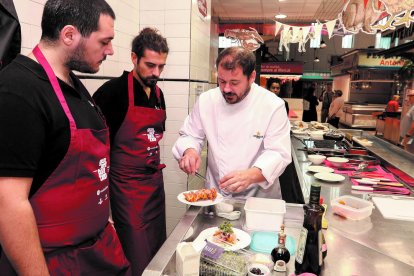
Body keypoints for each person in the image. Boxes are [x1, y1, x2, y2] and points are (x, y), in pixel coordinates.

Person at [0, 0, 131, 275]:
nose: (110, 50)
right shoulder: (18, 91)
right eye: (104, 41)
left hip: (95, 252)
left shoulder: (74, 85)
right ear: (69, 35)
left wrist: (103, 218)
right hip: (55, 261)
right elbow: (8, 204)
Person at [93, 27, 169, 275]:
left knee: (158, 250)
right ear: (134, 58)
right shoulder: (112, 93)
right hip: (126, 191)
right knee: (135, 255)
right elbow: (95, 152)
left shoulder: (158, 95)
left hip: (154, 187)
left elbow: (155, 138)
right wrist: (102, 207)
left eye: (161, 66)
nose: (156, 73)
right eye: (150, 65)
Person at [172, 46, 291, 199]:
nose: (226, 89)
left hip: (258, 197)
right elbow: (190, 134)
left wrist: (250, 175)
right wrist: (190, 151)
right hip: (217, 195)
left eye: (234, 82)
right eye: (221, 81)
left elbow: (279, 153)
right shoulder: (207, 100)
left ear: (252, 77)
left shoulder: (272, 105)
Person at [266, 78, 303, 203]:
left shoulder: (283, 103)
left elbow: (284, 122)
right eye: (273, 88)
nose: (275, 90)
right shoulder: (262, 103)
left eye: (277, 88)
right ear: (268, 88)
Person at [400, 89, 414, 154]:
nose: (409, 98)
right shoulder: (412, 106)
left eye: (411, 96)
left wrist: (407, 136)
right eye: (409, 96)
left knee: (409, 153)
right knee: (406, 151)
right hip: (407, 136)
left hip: (410, 137)